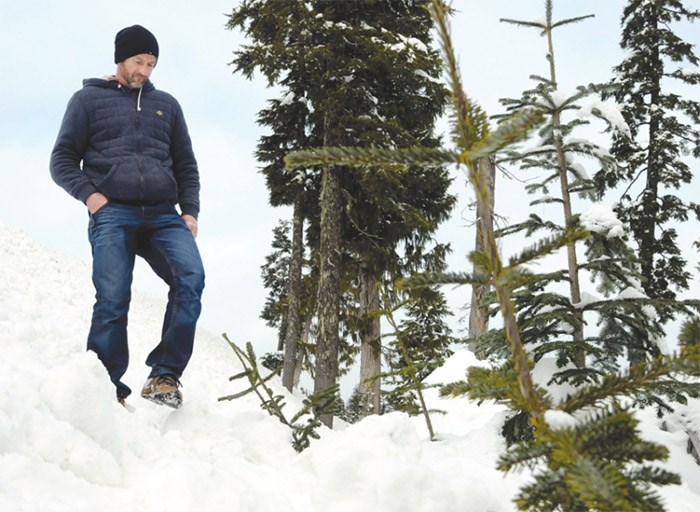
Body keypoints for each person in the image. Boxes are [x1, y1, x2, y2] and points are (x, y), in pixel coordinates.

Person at [50, 25, 205, 409]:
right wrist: (93, 197)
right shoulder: (87, 100)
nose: (145, 70)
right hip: (112, 212)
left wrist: (190, 211)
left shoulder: (166, 105)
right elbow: (62, 160)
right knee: (113, 297)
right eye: (139, 61)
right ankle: (104, 388)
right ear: (121, 58)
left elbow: (186, 164)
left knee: (191, 279)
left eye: (151, 63)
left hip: (162, 215)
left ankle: (164, 376)